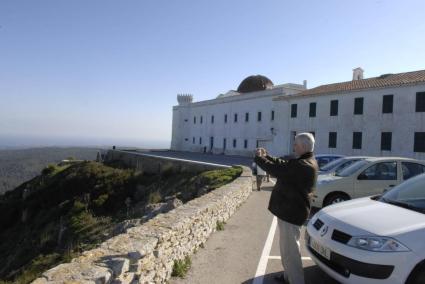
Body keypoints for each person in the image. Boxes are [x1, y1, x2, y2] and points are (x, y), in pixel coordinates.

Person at [254, 133, 318, 284]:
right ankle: (287, 277)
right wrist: (267, 156)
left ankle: (296, 281)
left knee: (291, 252)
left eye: (295, 144)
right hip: (289, 212)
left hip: (292, 214)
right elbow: (283, 164)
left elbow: (277, 170)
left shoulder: (304, 165)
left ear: (302, 146)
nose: (293, 146)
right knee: (286, 249)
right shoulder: (303, 162)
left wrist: (259, 158)